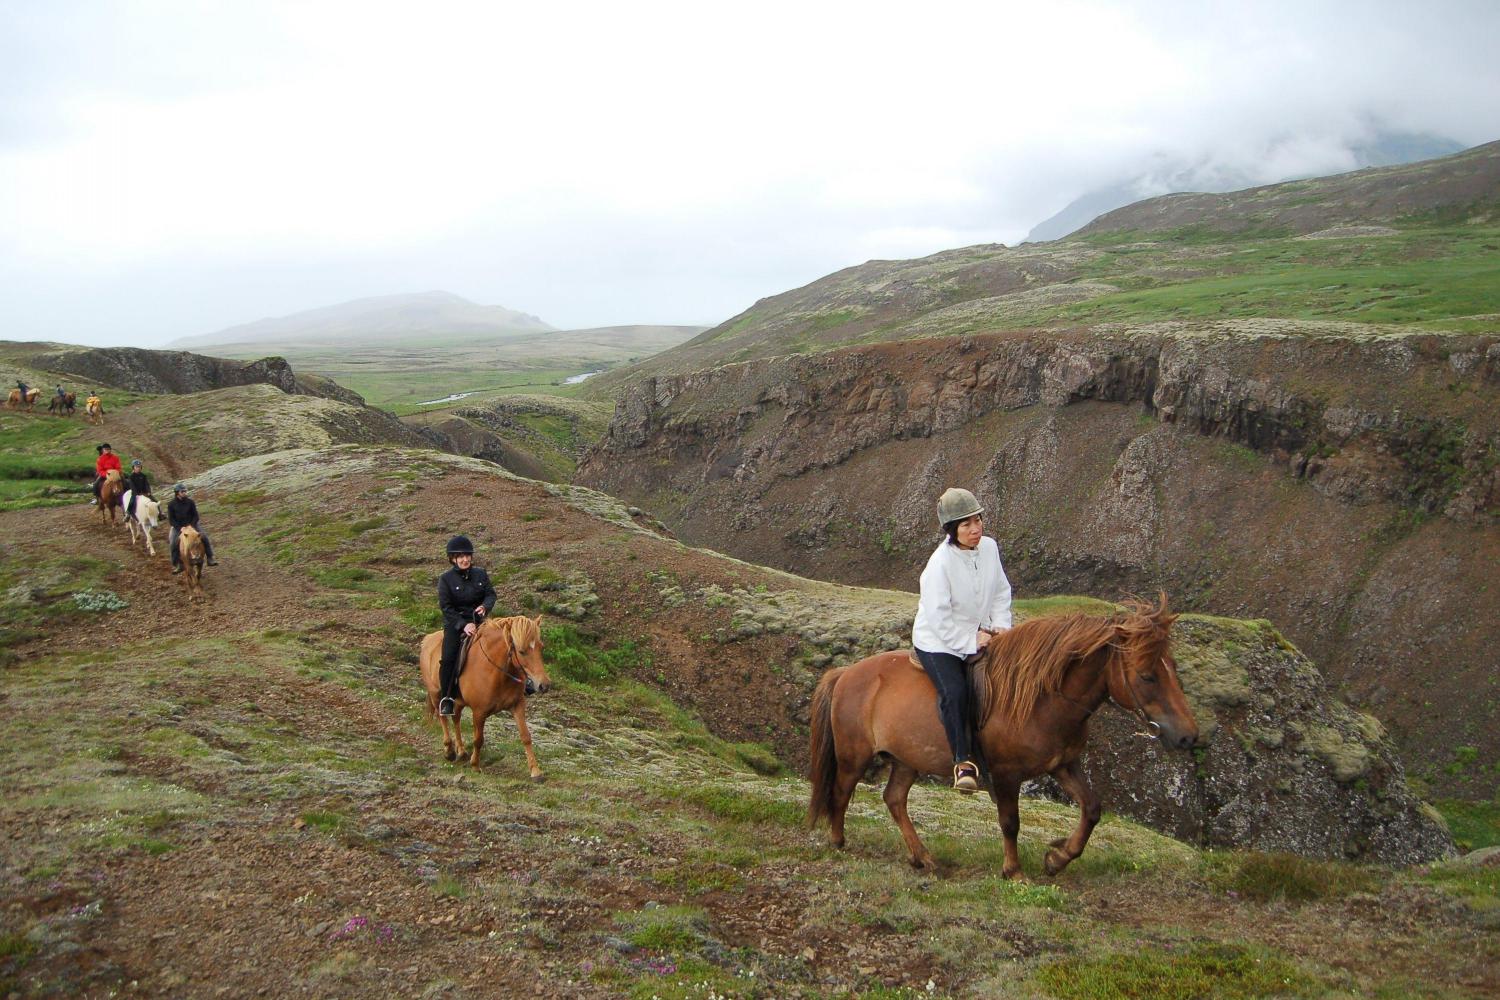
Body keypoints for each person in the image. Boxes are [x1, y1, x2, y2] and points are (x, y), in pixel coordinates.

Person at [911, 487, 1013, 793]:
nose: (975, 528)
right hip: (939, 641)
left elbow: (1000, 591)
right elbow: (938, 617)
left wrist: (1001, 627)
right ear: (952, 530)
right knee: (955, 692)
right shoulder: (939, 565)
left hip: (982, 633)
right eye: (966, 524)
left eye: (977, 520)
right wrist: (971, 640)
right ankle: (963, 761)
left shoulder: (990, 548)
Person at [436, 535, 496, 717]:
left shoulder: (481, 574)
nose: (464, 559)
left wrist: (485, 606)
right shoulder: (445, 579)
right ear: (453, 559)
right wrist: (464, 625)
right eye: (460, 556)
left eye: (467, 556)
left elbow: (491, 595)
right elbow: (446, 608)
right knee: (447, 659)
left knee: (509, 643)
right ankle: (447, 698)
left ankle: (522, 685)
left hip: (481, 622)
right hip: (456, 625)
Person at [167, 483, 218, 573]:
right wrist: (180, 528)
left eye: (185, 491)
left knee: (204, 537)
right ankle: (178, 564)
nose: (185, 493)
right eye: (182, 491)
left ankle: (210, 558)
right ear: (177, 493)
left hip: (192, 525)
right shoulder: (171, 504)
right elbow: (171, 520)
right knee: (173, 543)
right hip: (178, 527)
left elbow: (196, 515)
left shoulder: (190, 502)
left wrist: (192, 525)